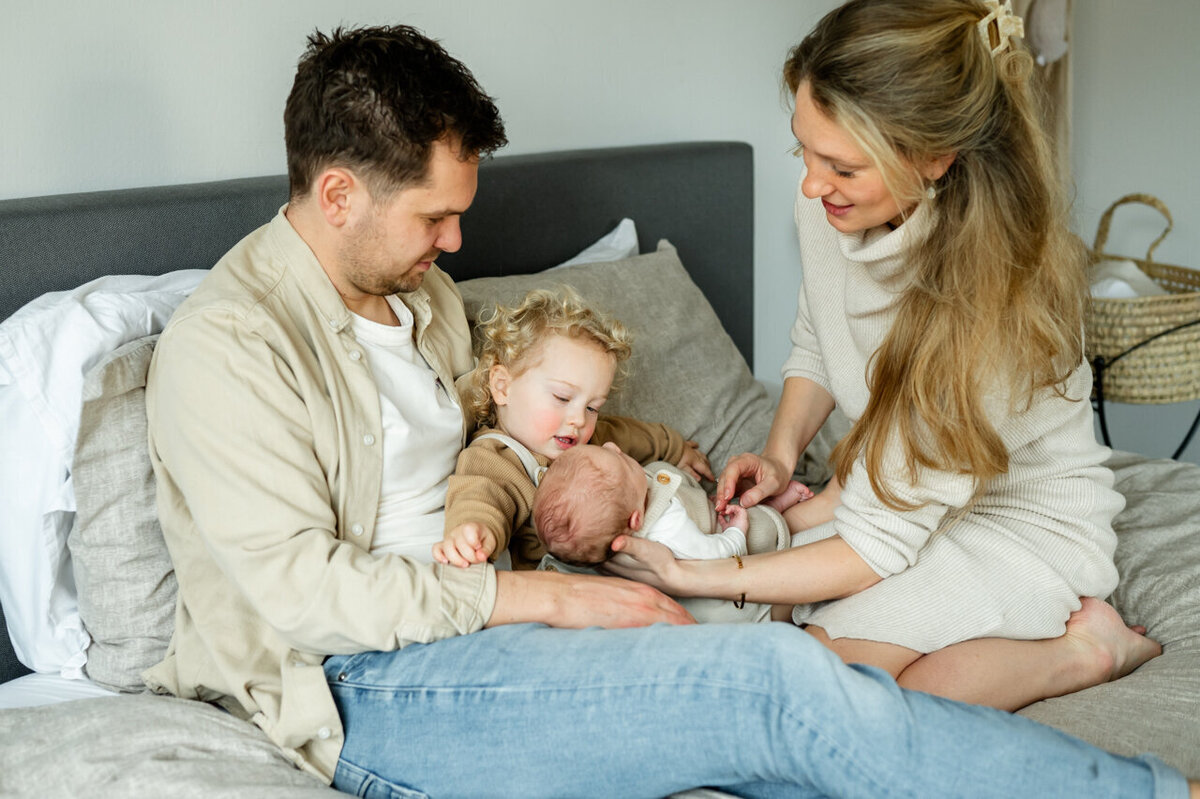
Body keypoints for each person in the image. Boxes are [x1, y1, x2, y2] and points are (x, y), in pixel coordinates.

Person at [142, 21, 1195, 799]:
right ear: (338, 197)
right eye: (438, 217)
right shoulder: (228, 347)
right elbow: (302, 592)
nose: (458, 247)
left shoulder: (420, 300)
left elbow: (505, 453)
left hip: (488, 624)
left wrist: (616, 516)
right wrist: (546, 602)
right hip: (367, 685)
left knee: (774, 740)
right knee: (772, 682)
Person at [607, 0, 1164, 714]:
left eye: (840, 165)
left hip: (1019, 523)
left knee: (846, 696)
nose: (810, 184)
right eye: (801, 149)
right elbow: (819, 332)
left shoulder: (987, 308)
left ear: (934, 157)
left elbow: (875, 548)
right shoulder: (829, 206)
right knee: (795, 648)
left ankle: (1086, 650)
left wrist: (697, 575)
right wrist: (780, 456)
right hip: (906, 499)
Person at [431, 286, 713, 570]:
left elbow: (634, 436)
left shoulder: (587, 444)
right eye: (562, 398)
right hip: (554, 587)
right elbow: (479, 496)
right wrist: (473, 530)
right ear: (503, 387)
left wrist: (675, 448)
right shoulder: (496, 457)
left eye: (592, 407)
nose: (579, 419)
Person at [534, 441, 794, 623]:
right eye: (622, 460)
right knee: (758, 531)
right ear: (636, 519)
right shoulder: (667, 529)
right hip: (730, 603)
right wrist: (736, 533)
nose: (614, 447)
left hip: (704, 519)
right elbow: (716, 556)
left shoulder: (595, 536)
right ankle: (777, 510)